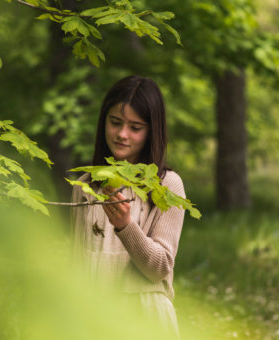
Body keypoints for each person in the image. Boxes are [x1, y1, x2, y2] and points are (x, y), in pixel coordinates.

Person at [70, 75, 185, 337]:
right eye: (115, 123)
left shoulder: (166, 186)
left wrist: (125, 225)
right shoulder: (86, 185)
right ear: (104, 123)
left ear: (151, 131)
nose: (123, 134)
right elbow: (76, 263)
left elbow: (159, 268)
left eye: (135, 127)